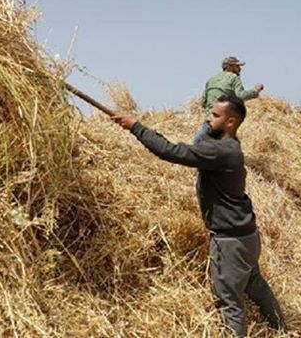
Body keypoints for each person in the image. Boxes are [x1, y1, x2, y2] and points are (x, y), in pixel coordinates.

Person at [112, 94, 285, 336]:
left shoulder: (220, 152)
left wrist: (136, 127)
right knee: (255, 284)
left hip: (229, 243)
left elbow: (171, 151)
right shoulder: (231, 147)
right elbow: (197, 143)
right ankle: (282, 328)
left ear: (231, 122)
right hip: (247, 236)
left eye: (215, 115)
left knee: (229, 302)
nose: (208, 119)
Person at [193, 56, 264, 145]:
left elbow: (203, 102)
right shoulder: (233, 78)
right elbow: (241, 95)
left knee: (198, 143)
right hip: (224, 122)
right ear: (229, 67)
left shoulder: (211, 80)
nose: (240, 69)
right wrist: (256, 91)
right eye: (237, 66)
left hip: (209, 120)